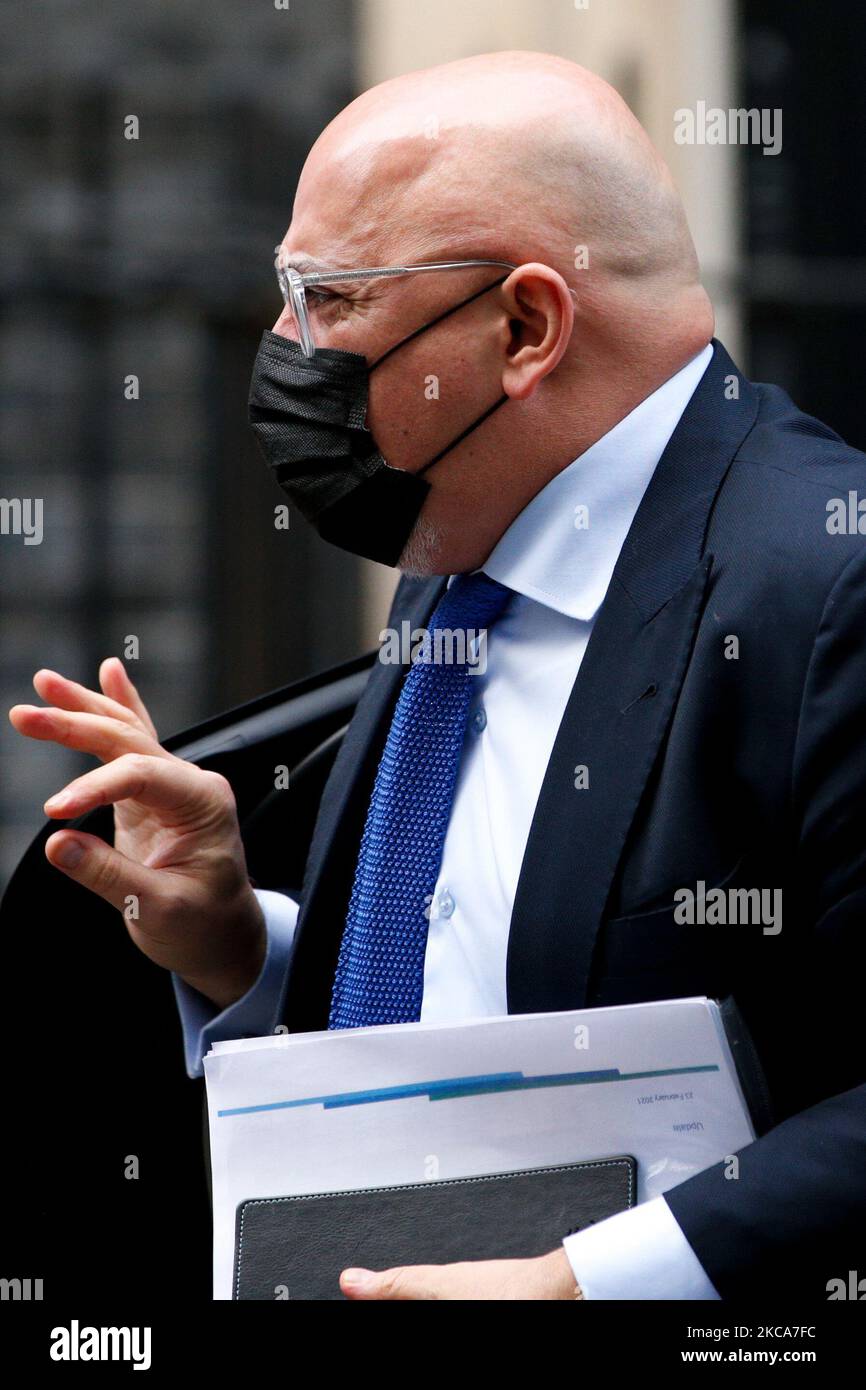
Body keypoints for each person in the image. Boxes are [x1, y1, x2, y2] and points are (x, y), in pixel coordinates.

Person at [10, 51, 865, 1300]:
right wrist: (243, 943)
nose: (282, 349)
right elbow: (488, 991)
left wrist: (585, 1282)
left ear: (523, 328)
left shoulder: (825, 584)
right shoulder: (463, 542)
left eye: (327, 297)